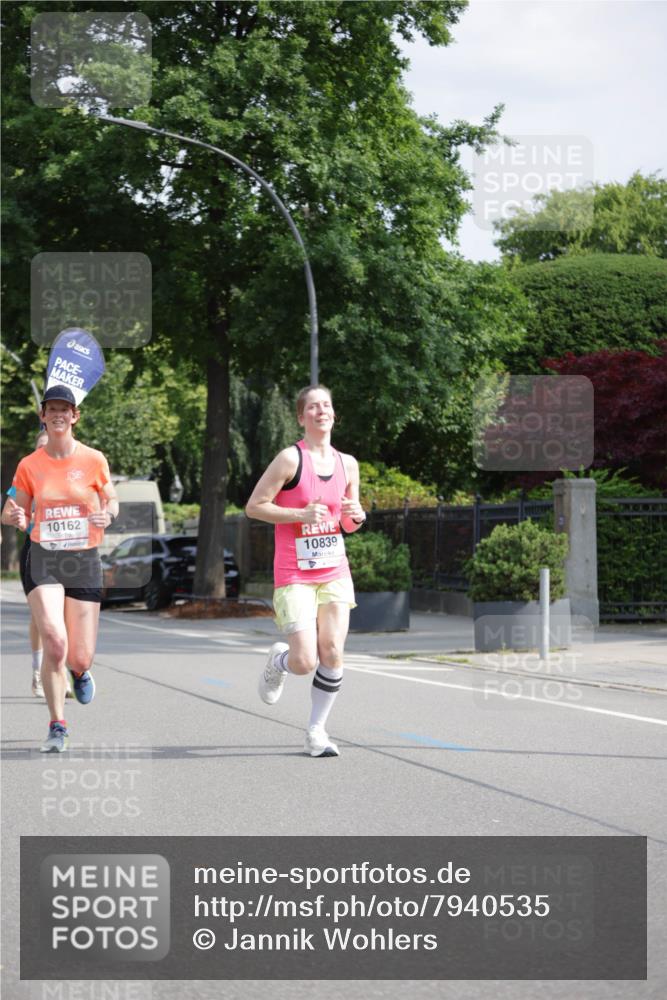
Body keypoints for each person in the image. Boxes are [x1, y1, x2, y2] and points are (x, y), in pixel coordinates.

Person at [245, 385, 366, 757]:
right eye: (313, 407)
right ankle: (279, 661)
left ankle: (317, 731)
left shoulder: (348, 464)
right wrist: (299, 514)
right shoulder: (289, 460)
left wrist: (356, 518)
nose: (321, 411)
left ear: (333, 415)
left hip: (334, 569)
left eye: (326, 405)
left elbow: (346, 522)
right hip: (294, 572)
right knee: (304, 661)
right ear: (301, 417)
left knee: (332, 651)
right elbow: (254, 506)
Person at [1, 386, 118, 753]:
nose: (58, 415)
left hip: (83, 559)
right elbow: (10, 510)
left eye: (64, 410)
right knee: (55, 640)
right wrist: (16, 515)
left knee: (79, 655)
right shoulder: (29, 464)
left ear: (75, 416)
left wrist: (108, 513)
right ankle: (57, 725)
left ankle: (80, 672)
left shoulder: (94, 459)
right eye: (51, 410)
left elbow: (111, 497)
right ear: (43, 414)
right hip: (45, 557)